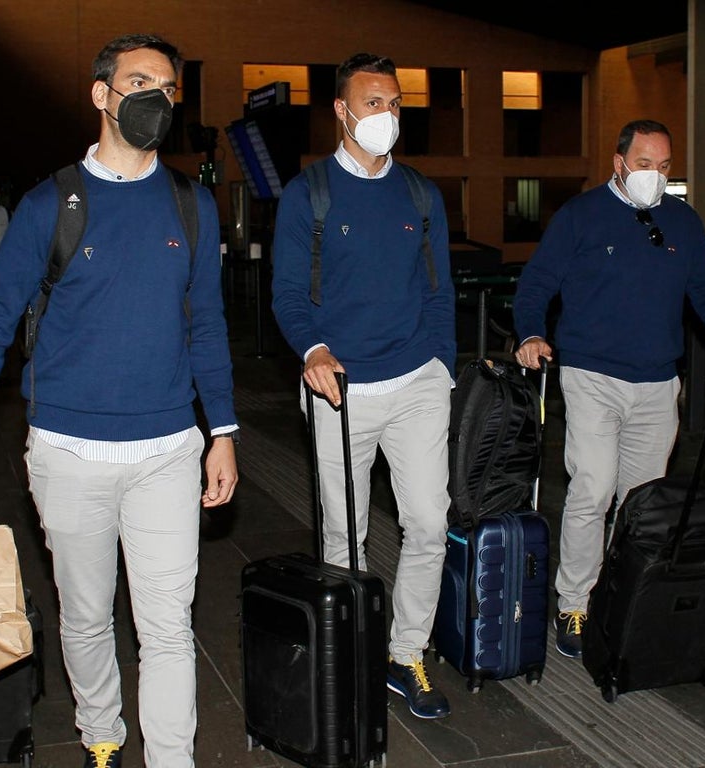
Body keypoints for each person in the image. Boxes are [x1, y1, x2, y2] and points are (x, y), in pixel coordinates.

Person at [0, 34, 238, 768]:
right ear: (101, 95)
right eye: (138, 83)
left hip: (167, 450)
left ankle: (172, 760)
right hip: (68, 453)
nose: (155, 99)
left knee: (166, 627)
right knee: (87, 616)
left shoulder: (192, 208)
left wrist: (222, 429)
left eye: (167, 88)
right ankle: (102, 734)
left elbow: (208, 326)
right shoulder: (51, 203)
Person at [512, 119, 705, 658]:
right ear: (619, 162)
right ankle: (574, 603)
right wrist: (532, 332)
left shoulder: (682, 222)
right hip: (591, 376)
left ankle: (620, 595)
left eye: (665, 166)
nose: (655, 175)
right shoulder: (581, 216)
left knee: (641, 504)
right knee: (593, 488)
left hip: (656, 385)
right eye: (645, 164)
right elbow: (536, 283)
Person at [271, 52, 455, 720]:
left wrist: (445, 368)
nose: (387, 115)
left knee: (429, 523)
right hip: (339, 390)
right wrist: (314, 350)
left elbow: (439, 291)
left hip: (416, 381)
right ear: (342, 112)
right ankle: (348, 653)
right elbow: (288, 291)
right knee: (343, 537)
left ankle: (406, 655)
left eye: (395, 103)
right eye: (373, 103)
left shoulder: (418, 192)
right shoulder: (309, 194)